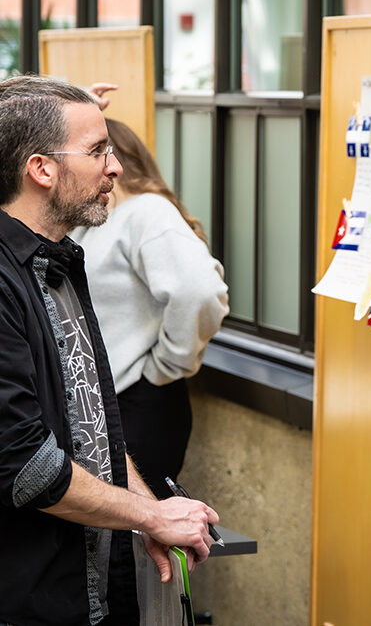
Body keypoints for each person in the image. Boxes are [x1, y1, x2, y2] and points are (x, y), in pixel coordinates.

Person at [0, 74, 219, 626]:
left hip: (87, 587)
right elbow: (25, 465)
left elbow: (89, 425)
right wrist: (149, 513)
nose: (116, 167)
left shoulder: (61, 262)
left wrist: (147, 517)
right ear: (42, 169)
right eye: (98, 151)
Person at [71, 118, 229, 500]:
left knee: (137, 541)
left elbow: (201, 292)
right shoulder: (93, 221)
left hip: (140, 401)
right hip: (105, 403)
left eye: (92, 152)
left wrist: (167, 366)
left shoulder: (146, 212)